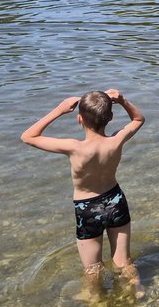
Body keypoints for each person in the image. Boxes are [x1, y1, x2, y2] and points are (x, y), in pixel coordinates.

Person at [21, 89, 146, 295]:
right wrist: (122, 100)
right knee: (123, 261)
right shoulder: (116, 140)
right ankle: (136, 288)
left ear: (80, 119)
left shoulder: (74, 147)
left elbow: (28, 136)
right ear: (111, 117)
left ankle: (96, 303)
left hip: (87, 208)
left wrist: (59, 110)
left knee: (92, 268)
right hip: (115, 200)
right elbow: (138, 119)